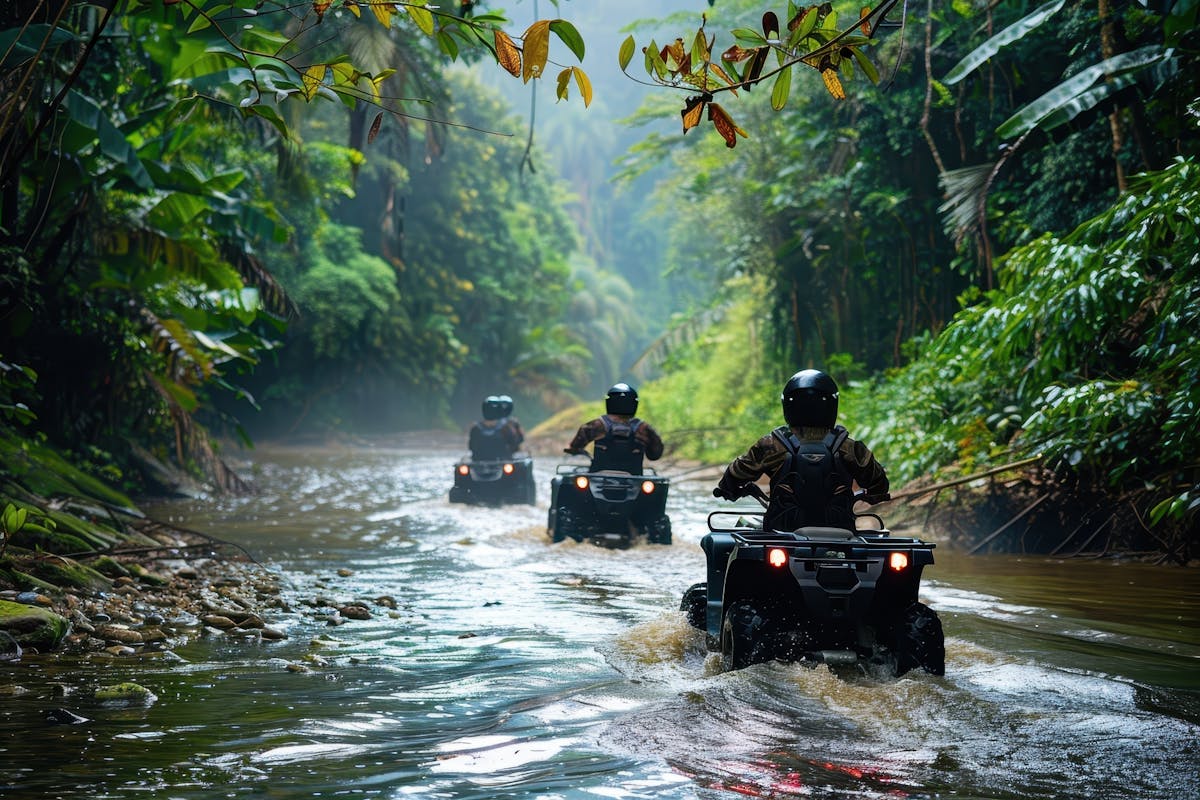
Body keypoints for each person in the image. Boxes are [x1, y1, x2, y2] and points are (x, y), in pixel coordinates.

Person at [713, 369, 889, 531]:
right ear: (831, 405)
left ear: (788, 406)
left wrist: (728, 488)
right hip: (840, 529)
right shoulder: (850, 448)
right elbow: (879, 483)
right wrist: (872, 494)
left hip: (781, 530)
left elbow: (736, 473)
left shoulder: (771, 446)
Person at [565, 382, 664, 475]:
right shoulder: (643, 428)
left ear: (609, 402)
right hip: (634, 480)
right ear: (634, 404)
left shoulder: (597, 425)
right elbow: (655, 454)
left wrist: (574, 450)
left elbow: (575, 447)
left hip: (598, 478)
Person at [468, 395, 524, 460]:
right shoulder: (507, 427)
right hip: (501, 460)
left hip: (485, 461)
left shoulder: (476, 428)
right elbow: (514, 445)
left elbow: (471, 447)